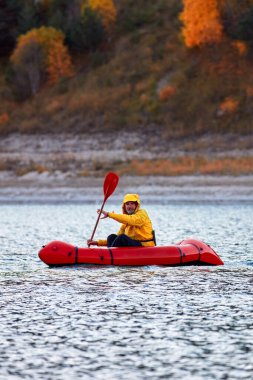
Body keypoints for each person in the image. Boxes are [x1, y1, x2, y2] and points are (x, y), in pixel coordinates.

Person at [87, 194, 155, 248]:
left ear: (136, 205)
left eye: (132, 204)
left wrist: (109, 214)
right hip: (134, 245)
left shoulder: (142, 214)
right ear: (124, 206)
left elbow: (131, 220)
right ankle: (110, 255)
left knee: (122, 237)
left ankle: (108, 255)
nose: (129, 206)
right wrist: (97, 243)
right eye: (127, 204)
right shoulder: (125, 223)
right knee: (111, 237)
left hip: (145, 245)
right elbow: (116, 239)